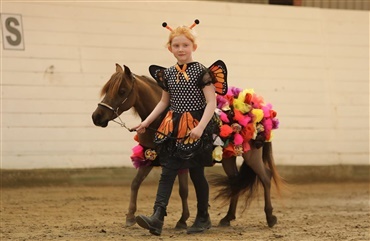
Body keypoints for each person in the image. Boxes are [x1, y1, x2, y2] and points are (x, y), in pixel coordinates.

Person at [133, 19, 227, 236]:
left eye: (185, 45)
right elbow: (164, 102)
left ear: (194, 47)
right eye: (176, 45)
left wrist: (201, 127)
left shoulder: (201, 72)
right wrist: (146, 123)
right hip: (173, 126)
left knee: (196, 173)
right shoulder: (168, 74)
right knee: (168, 171)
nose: (181, 49)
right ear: (170, 48)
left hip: (196, 125)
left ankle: (203, 216)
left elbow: (211, 103)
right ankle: (157, 216)